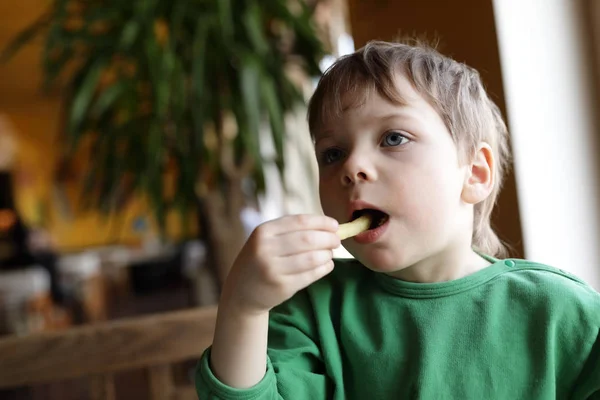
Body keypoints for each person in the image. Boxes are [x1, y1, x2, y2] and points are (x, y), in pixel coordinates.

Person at [195, 40, 600, 399]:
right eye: (332, 153)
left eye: (393, 138)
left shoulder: (563, 315)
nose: (352, 167)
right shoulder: (310, 311)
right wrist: (244, 307)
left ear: (474, 173)